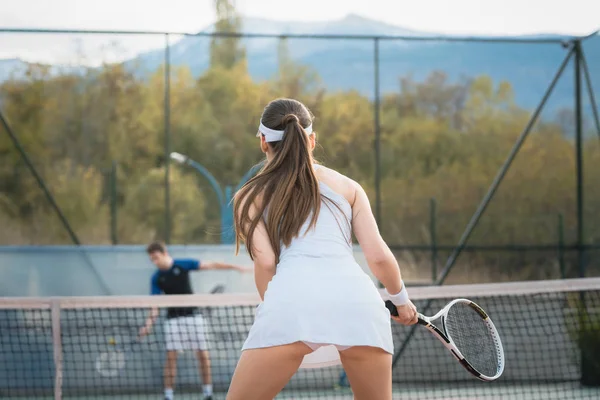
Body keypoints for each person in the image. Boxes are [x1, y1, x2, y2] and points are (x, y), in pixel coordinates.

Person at [227, 98, 419, 400]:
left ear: (264, 142)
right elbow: (378, 256)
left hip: (291, 302)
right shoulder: (349, 187)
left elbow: (266, 264)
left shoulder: (248, 195)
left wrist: (275, 308)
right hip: (360, 304)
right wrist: (401, 300)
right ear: (312, 140)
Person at [139, 241, 249, 400]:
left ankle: (207, 394)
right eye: (152, 260)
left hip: (193, 317)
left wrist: (237, 268)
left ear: (164, 253)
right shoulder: (157, 278)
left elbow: (211, 265)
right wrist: (148, 325)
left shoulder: (182, 265)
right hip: (173, 320)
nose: (155, 262)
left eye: (156, 257)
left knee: (203, 355)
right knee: (171, 358)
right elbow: (154, 305)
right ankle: (168, 396)